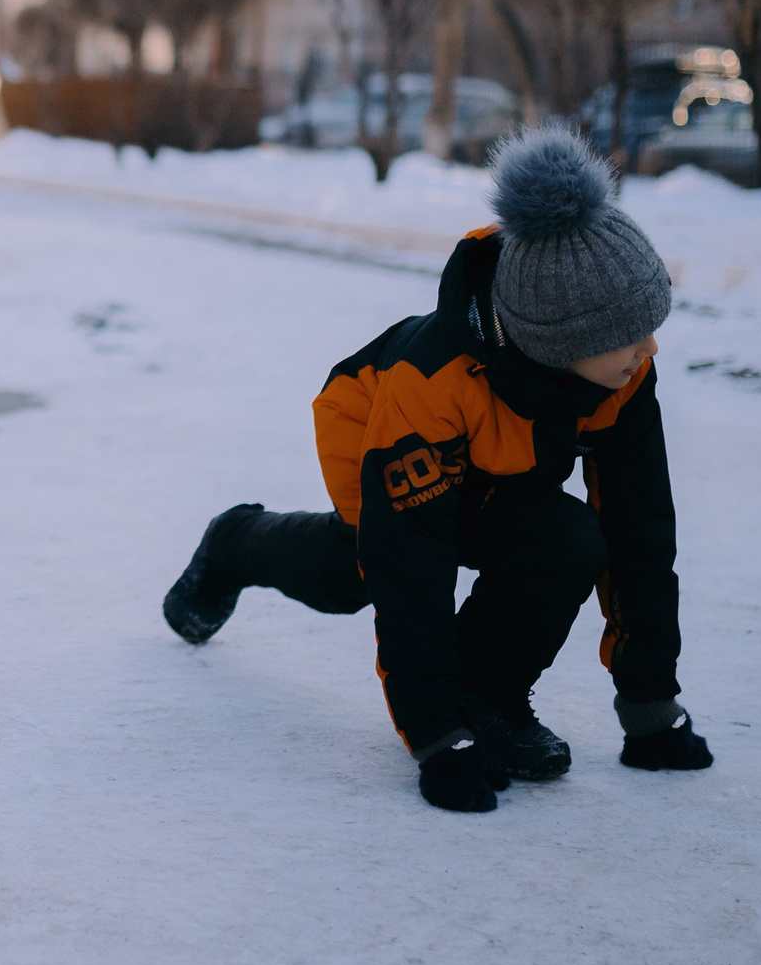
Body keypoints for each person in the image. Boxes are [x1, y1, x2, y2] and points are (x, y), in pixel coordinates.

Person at [161, 126, 713, 813]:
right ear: (560, 342)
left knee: (567, 539)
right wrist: (437, 738)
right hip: (373, 425)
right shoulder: (433, 383)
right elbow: (409, 569)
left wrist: (649, 702)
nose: (650, 347)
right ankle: (235, 540)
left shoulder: (621, 374)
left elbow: (640, 528)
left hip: (499, 460)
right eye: (630, 336)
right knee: (358, 573)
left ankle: (490, 696)